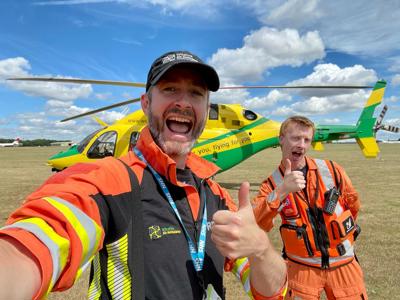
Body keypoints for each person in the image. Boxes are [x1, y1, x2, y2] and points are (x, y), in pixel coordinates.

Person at [0, 50, 287, 300]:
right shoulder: (109, 182)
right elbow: (43, 234)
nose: (184, 103)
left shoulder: (216, 195)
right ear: (146, 103)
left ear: (205, 108)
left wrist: (261, 249)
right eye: (170, 89)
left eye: (197, 94)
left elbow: (271, 292)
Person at [252, 116, 367, 299]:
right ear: (281, 138)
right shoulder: (272, 183)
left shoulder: (332, 170)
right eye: (296, 138)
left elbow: (353, 206)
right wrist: (281, 191)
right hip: (301, 271)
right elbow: (256, 222)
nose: (302, 145)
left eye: (306, 140)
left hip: (344, 265)